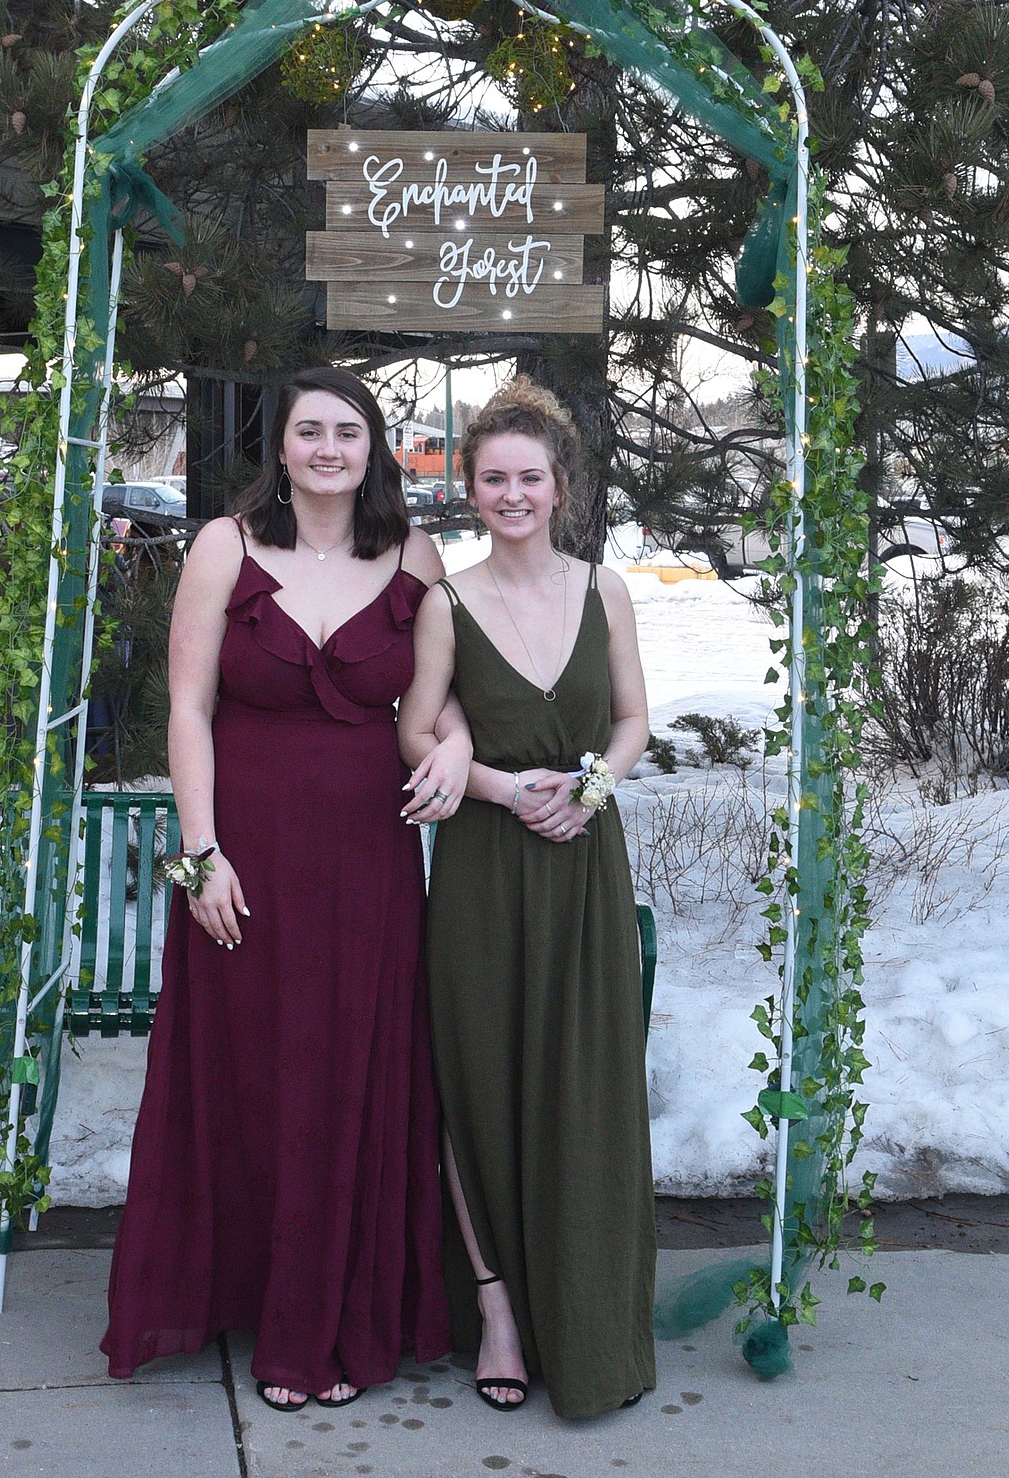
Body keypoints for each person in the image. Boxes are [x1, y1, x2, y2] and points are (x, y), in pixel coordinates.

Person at [102, 365, 469, 1408]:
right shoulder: (225, 544)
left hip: (371, 865)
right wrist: (198, 854)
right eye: (309, 431)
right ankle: (259, 1299)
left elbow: (448, 694)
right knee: (258, 1077)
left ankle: (339, 1321)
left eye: (347, 433)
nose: (327, 449)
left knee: (353, 1077)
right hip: (244, 861)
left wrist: (463, 744)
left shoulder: (416, 553)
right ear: (282, 446)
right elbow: (185, 710)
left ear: (374, 448)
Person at [398, 378, 657, 1421]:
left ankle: (590, 1319)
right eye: (493, 477)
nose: (512, 493)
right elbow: (415, 732)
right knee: (483, 1081)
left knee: (584, 1087)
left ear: (561, 486)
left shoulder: (607, 591)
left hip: (585, 866)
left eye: (529, 478)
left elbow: (635, 717)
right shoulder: (445, 602)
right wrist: (503, 787)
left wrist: (591, 785)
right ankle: (498, 1308)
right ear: (472, 488)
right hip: (483, 873)